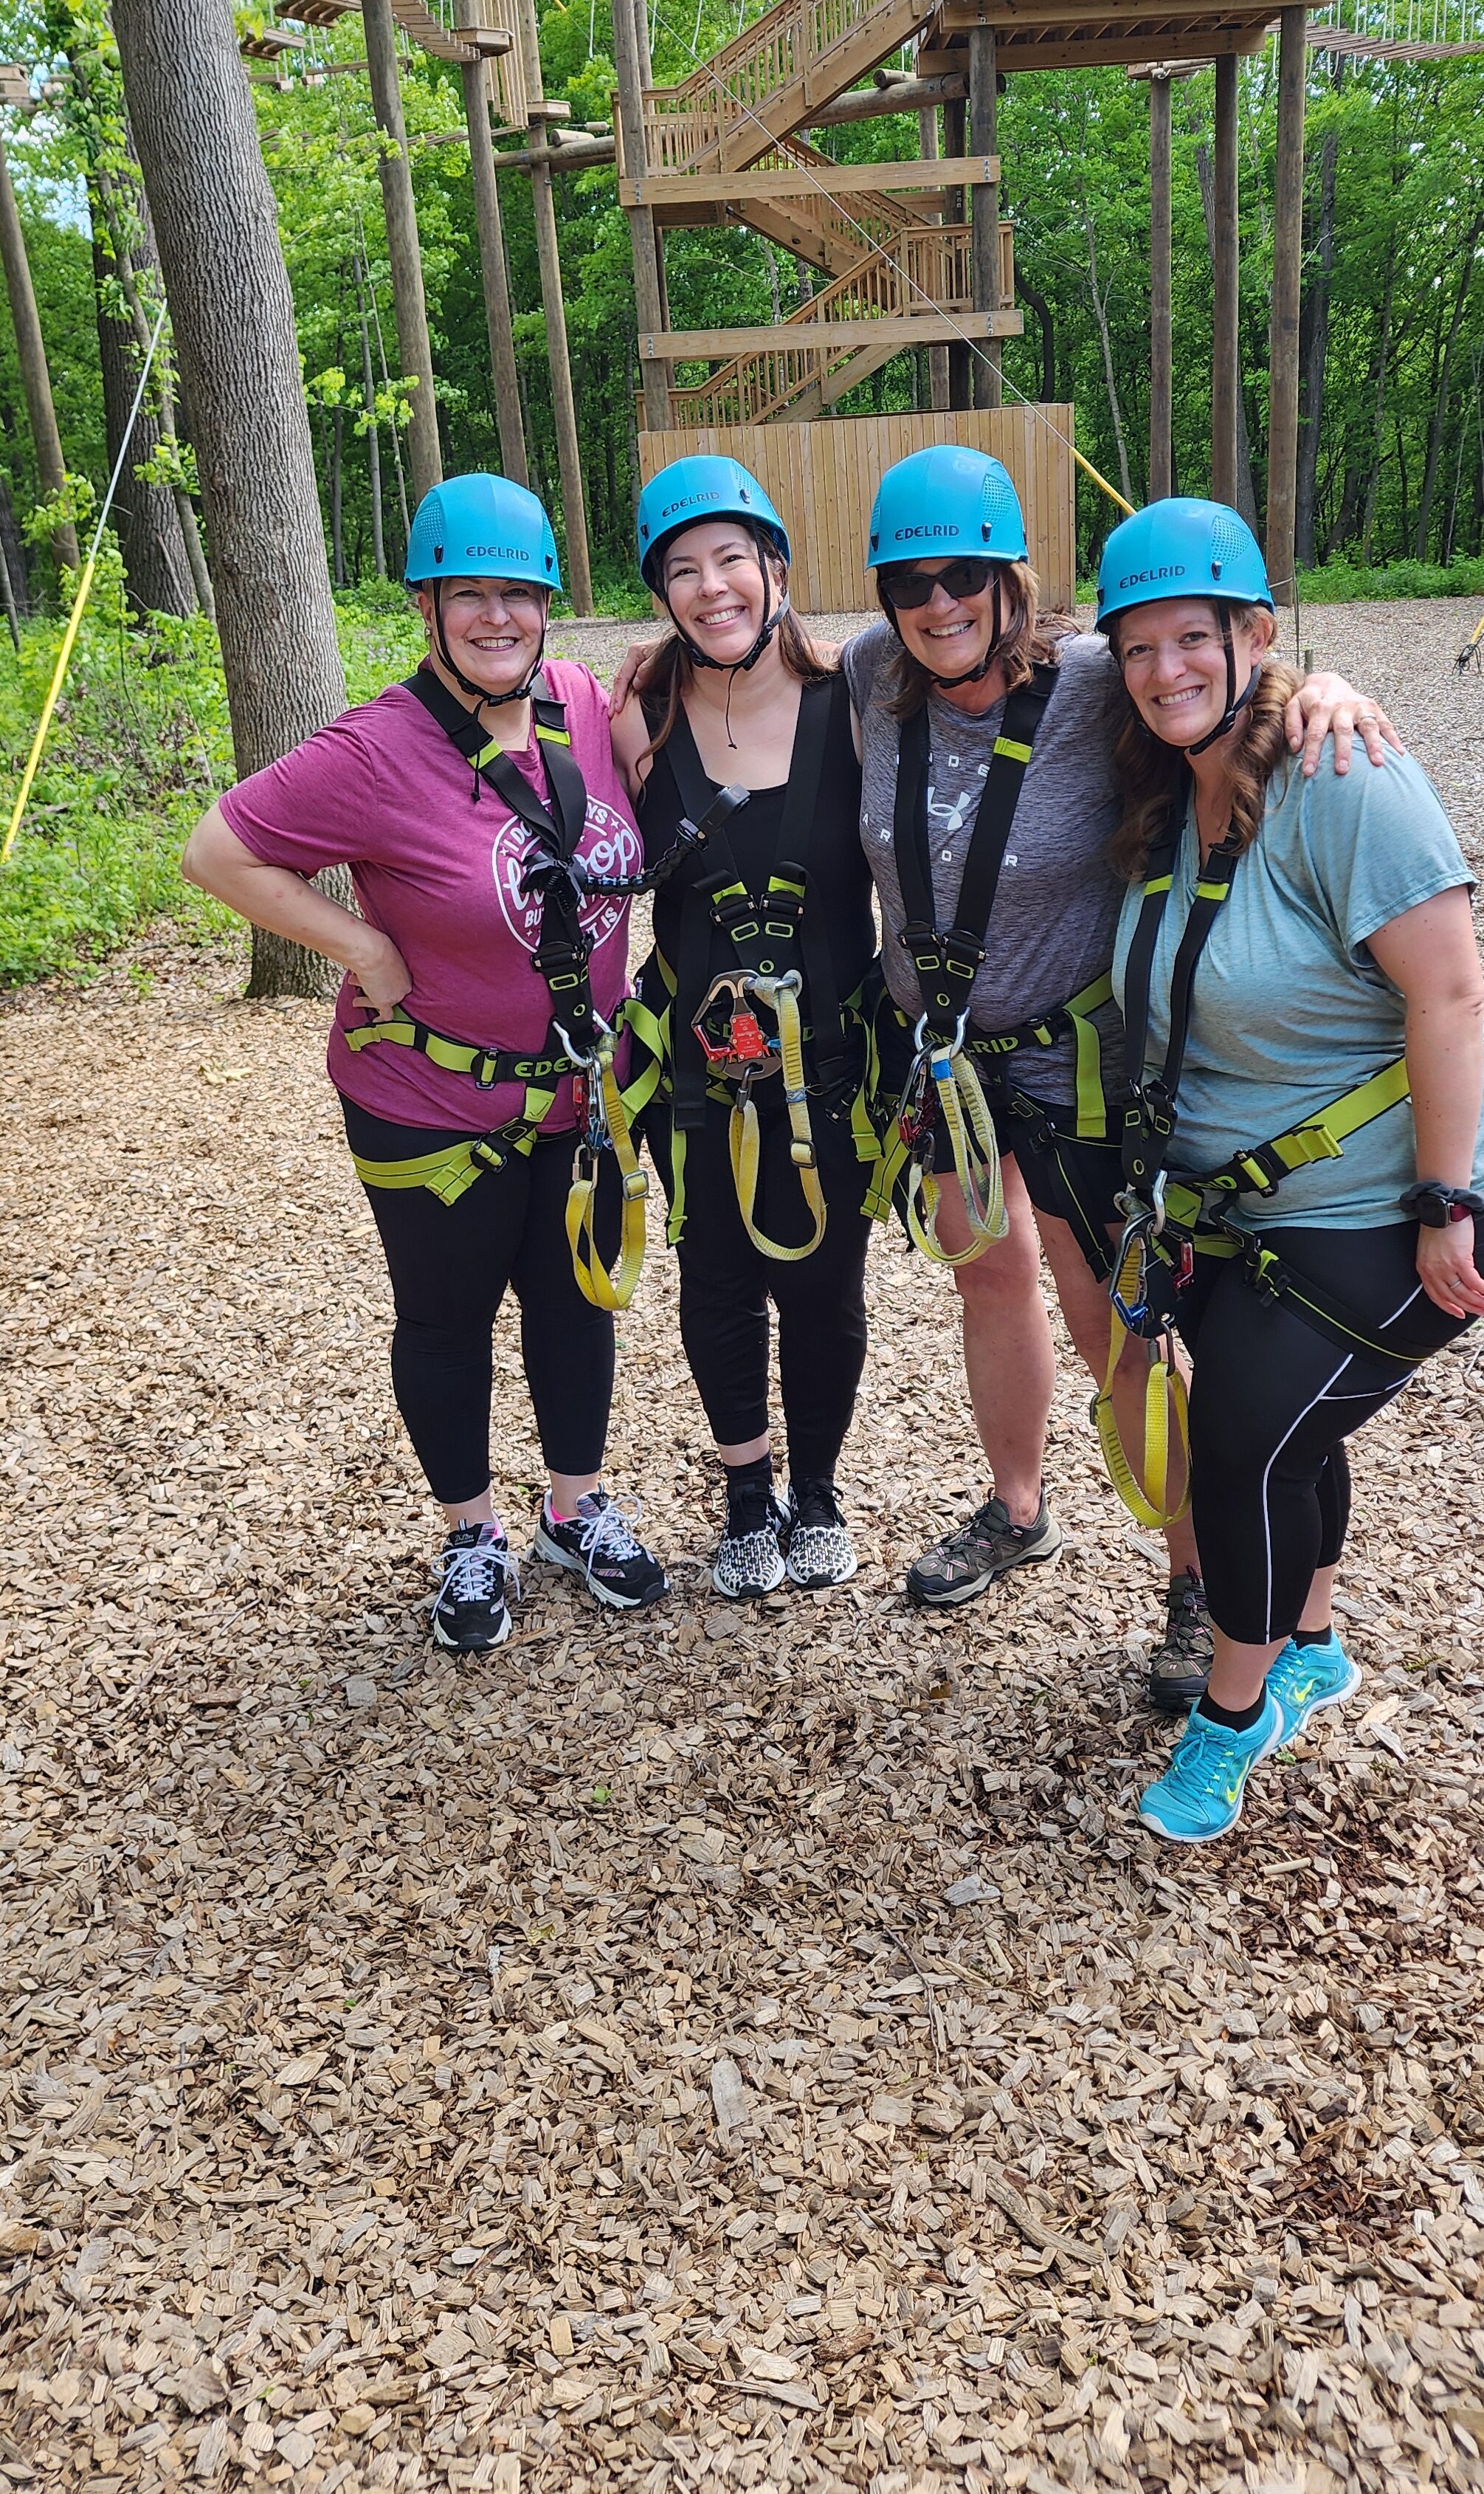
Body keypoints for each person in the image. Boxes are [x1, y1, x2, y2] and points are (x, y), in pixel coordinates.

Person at [842, 443, 1398, 1683]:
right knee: (988, 1284)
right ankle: (1018, 1506)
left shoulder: (1094, 680)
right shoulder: (875, 675)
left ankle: (1199, 1581)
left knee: (1122, 1329)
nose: (936, 603)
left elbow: (1207, 677)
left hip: (1076, 1065)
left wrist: (1326, 687)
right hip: (948, 1070)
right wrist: (655, 676)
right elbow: (765, 671)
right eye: (909, 582)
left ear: (1010, 579)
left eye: (962, 576)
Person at [1097, 496, 1484, 1844]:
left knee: (1239, 1443)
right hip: (1250, 1203)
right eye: (1138, 648)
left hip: (1401, 1193)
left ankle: (1231, 1720)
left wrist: (1446, 1200)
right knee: (1288, 1427)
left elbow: (1450, 993)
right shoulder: (1171, 796)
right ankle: (1314, 1642)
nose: (1165, 672)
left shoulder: (1344, 778)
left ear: (1254, 636)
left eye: (1196, 640)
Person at [181, 472, 666, 1654]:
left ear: (550, 602)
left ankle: (575, 1506)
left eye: (520, 594)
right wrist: (357, 943)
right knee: (446, 1317)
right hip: (428, 1100)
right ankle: (471, 1533)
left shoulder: (582, 706)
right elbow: (216, 850)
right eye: (470, 597)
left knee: (572, 1299)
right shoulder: (376, 750)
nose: (497, 618)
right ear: (428, 604)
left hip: (574, 1093)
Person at [611, 458, 880, 1601]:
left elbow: (1037, 672)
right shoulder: (635, 715)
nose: (711, 587)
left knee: (824, 1283)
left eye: (731, 559)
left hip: (830, 1059)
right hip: (697, 1067)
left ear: (775, 567)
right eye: (683, 569)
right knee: (714, 1276)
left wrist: (1303, 691)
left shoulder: (859, 700)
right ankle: (746, 1494)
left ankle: (816, 1490)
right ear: (661, 593)